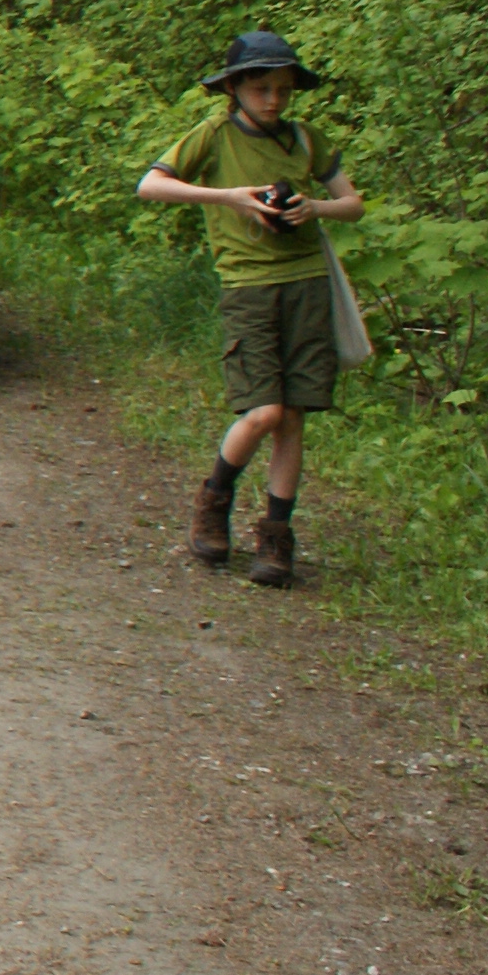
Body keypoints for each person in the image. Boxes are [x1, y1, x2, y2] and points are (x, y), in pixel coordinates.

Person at [136, 31, 365, 588]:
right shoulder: (212, 136)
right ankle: (214, 498)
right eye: (260, 88)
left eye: (282, 90)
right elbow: (151, 185)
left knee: (293, 417)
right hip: (249, 285)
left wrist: (315, 207)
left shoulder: (305, 138)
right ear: (233, 88)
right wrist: (231, 197)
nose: (273, 100)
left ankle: (276, 537)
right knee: (262, 411)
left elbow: (353, 203)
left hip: (307, 282)